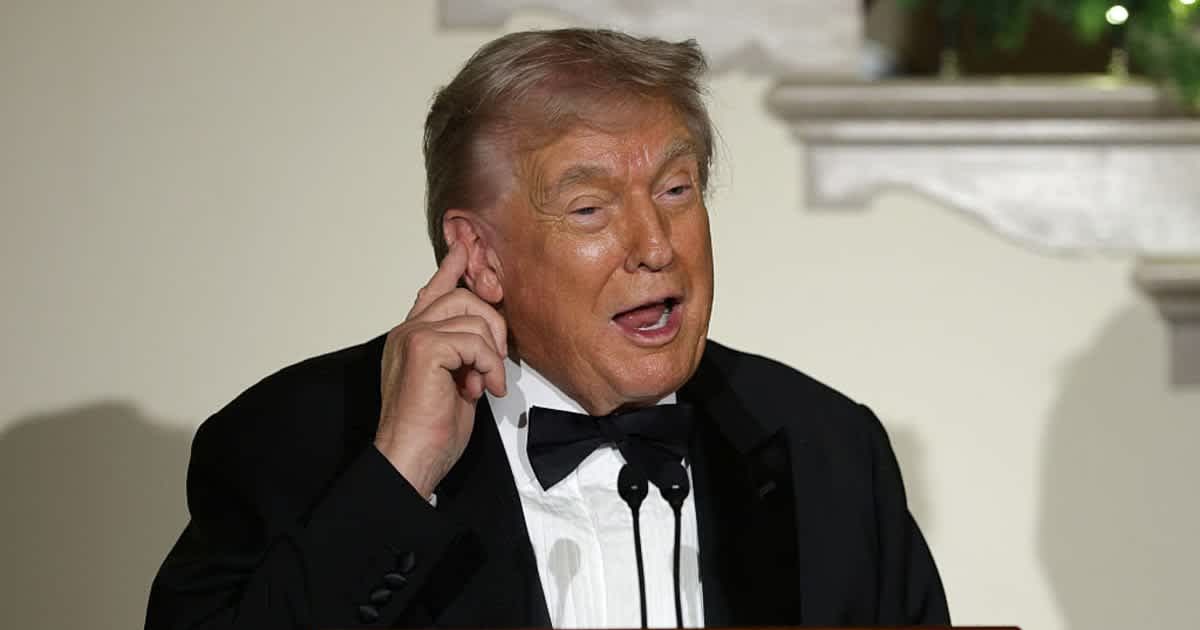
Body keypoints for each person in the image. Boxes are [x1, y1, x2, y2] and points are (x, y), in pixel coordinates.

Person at [146, 28, 949, 629]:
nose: (655, 246)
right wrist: (399, 475)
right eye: (591, 208)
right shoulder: (297, 443)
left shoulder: (827, 448)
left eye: (675, 190)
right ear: (480, 257)